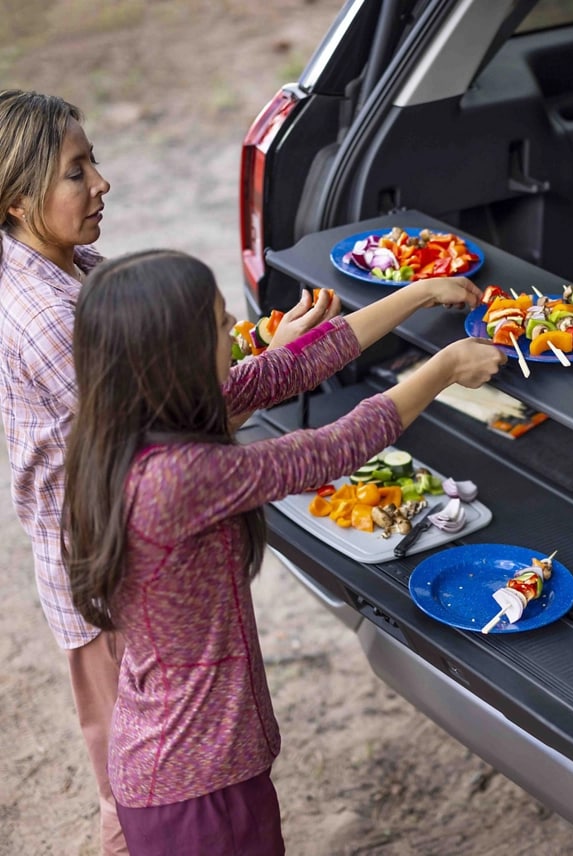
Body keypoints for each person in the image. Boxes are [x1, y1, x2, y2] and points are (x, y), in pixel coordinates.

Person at [61, 248, 505, 855]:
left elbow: (290, 367)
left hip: (178, 764)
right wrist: (443, 367)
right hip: (199, 787)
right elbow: (327, 451)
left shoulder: (126, 431)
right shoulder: (175, 477)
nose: (233, 335)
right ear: (176, 357)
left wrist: (420, 292)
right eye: (220, 325)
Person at [0, 88, 341, 856]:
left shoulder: (66, 262)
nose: (102, 184)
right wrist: (280, 365)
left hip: (121, 550)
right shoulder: (48, 316)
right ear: (19, 201)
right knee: (135, 786)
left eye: (94, 160)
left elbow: (164, 381)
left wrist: (262, 346)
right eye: (76, 172)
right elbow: (172, 427)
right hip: (108, 566)